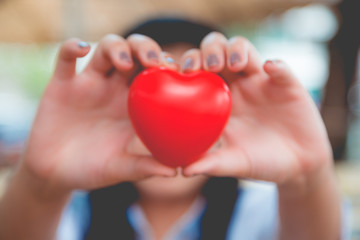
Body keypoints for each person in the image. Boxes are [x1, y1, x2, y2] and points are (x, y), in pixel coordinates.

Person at [0, 17, 349, 240]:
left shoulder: (260, 213)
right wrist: (38, 185)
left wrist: (308, 179)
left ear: (229, 111)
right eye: (149, 95)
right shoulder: (70, 212)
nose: (175, 119)